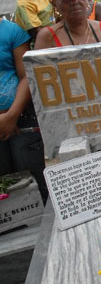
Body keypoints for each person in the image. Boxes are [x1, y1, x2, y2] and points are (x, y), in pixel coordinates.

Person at [0, 18, 48, 203]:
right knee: (5, 188)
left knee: (34, 180)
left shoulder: (12, 31)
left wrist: (11, 116)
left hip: (22, 117)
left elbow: (27, 75)